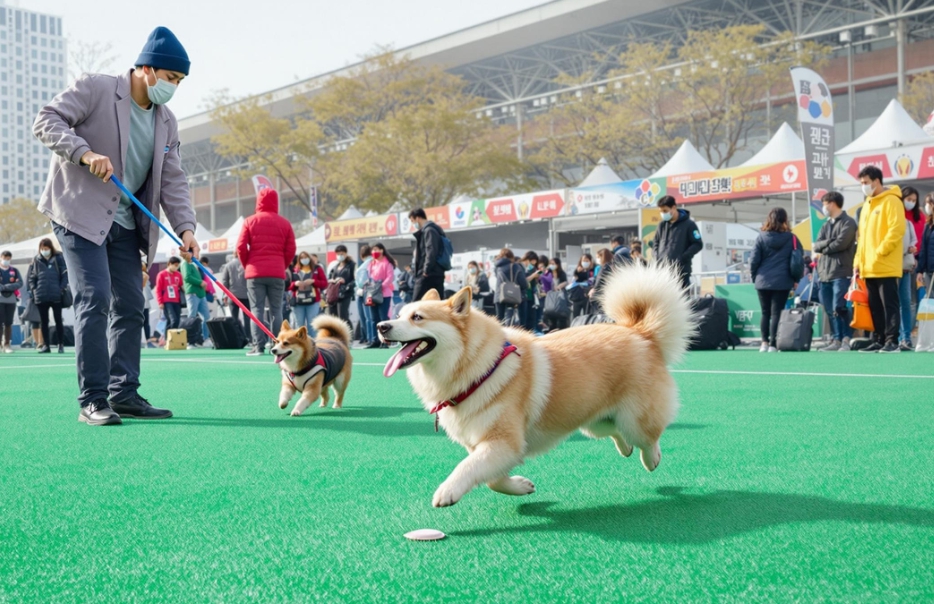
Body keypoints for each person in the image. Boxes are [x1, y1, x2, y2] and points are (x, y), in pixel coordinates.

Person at [34, 26, 197, 425]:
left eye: (179, 81)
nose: (173, 87)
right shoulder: (96, 88)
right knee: (95, 297)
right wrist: (84, 152)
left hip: (124, 223)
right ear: (145, 68)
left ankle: (124, 392)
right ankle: (92, 398)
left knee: (131, 304)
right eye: (170, 78)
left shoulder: (167, 122)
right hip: (79, 215)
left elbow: (173, 179)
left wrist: (187, 228)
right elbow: (46, 119)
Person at [237, 187, 296, 356]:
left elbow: (241, 247)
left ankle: (258, 346)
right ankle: (277, 345)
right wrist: (282, 265)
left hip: (254, 272)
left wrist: (247, 263)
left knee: (257, 309)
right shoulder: (284, 223)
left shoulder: (250, 221)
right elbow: (291, 249)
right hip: (277, 272)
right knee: (277, 310)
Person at [855, 166, 906, 353]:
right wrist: (858, 262)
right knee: (875, 307)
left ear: (877, 181)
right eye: (861, 183)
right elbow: (861, 238)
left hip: (885, 264)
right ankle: (880, 339)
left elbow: (897, 229)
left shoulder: (892, 201)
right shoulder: (867, 204)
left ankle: (892, 341)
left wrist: (880, 251)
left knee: (890, 306)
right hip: (868, 266)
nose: (864, 186)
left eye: (866, 182)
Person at [812, 191, 857, 352]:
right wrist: (828, 243)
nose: (823, 207)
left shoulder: (848, 222)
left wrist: (825, 247)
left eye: (824, 203)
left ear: (832, 203)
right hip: (824, 273)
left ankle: (846, 338)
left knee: (840, 307)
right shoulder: (825, 225)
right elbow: (816, 246)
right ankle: (835, 338)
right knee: (829, 309)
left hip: (841, 271)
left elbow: (842, 244)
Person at [750, 208, 798, 353]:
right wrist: (796, 278)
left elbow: (753, 261)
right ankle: (773, 344)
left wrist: (755, 277)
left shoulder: (761, 237)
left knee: (765, 312)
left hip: (763, 280)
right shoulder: (791, 238)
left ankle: (764, 343)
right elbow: (798, 260)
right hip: (783, 280)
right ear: (785, 220)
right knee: (777, 312)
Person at [27, 238, 68, 354]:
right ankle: (46, 345)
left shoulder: (59, 258)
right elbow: (31, 277)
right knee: (43, 322)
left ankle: (61, 344)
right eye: (43, 249)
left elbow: (65, 275)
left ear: (51, 248)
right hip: (41, 296)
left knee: (58, 320)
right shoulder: (36, 260)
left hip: (56, 295)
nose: (45, 251)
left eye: (47, 248)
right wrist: (34, 290)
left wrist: (61, 288)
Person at [653, 195, 703, 290]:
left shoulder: (689, 224)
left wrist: (683, 258)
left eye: (665, 211)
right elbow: (655, 243)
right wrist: (656, 257)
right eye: (661, 211)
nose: (663, 214)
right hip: (662, 272)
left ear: (674, 207)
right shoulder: (662, 225)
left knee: (681, 300)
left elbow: (698, 244)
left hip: (681, 271)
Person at [898, 186, 924, 351]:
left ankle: (906, 336)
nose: (911, 203)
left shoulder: (918, 217)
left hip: (911, 264)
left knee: (909, 302)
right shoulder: (894, 215)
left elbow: (919, 241)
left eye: (914, 200)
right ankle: (894, 336)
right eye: (908, 199)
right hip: (891, 264)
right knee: (894, 303)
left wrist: (916, 257)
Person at [409, 208, 447, 301]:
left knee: (415, 304)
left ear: (417, 218)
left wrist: (426, 270)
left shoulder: (429, 230)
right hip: (435, 273)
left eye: (412, 221)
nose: (413, 224)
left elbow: (431, 250)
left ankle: (415, 317)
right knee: (435, 304)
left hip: (428, 274)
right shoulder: (432, 229)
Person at [365, 243, 396, 348]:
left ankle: (385, 340)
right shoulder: (371, 264)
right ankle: (375, 340)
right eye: (372, 250)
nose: (374, 252)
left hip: (384, 294)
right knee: (374, 318)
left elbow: (390, 277)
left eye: (376, 249)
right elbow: (368, 277)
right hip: (372, 294)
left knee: (383, 318)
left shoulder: (387, 263)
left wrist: (380, 286)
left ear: (382, 250)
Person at [290, 251, 328, 337]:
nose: (304, 260)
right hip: (298, 301)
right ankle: (300, 343)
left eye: (306, 257)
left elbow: (324, 283)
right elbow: (288, 285)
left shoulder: (317, 269)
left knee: (312, 324)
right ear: (299, 260)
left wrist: (314, 281)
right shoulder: (294, 270)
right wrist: (295, 284)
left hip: (313, 300)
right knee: (299, 324)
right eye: (302, 258)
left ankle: (313, 344)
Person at [219, 254, 251, 344]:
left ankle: (237, 338)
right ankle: (249, 338)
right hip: (246, 295)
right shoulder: (247, 264)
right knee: (248, 318)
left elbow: (225, 281)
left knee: (234, 318)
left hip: (232, 295)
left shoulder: (228, 265)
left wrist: (225, 295)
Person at [181, 253, 211, 346]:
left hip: (201, 294)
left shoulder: (195, 264)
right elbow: (187, 277)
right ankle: (190, 341)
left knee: (206, 317)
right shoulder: (185, 263)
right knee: (192, 317)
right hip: (192, 293)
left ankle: (204, 339)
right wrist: (200, 282)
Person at [493, 248, 527, 326]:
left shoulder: (497, 266)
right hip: (511, 295)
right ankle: (510, 336)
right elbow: (523, 283)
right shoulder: (515, 266)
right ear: (511, 256)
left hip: (498, 295)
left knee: (499, 320)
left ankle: (500, 337)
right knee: (510, 318)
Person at [0, 250, 23, 353]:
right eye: (4, 258)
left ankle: (7, 344)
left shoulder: (14, 270)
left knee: (9, 322)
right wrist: (3, 287)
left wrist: (9, 287)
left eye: (8, 259)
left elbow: (20, 283)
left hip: (11, 298)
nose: (6, 260)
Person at [327, 245, 356, 326]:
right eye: (338, 254)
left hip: (345, 294)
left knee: (343, 317)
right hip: (334, 294)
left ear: (346, 253)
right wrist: (333, 280)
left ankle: (348, 336)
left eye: (342, 253)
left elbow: (355, 280)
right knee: (333, 317)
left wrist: (346, 283)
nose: (340, 255)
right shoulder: (335, 266)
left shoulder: (351, 265)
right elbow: (329, 278)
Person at [155, 257, 184, 331]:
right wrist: (160, 302)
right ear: (169, 264)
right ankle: (171, 339)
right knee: (173, 320)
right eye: (175, 265)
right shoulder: (161, 274)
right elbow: (158, 289)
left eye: (178, 265)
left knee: (176, 320)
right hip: (167, 301)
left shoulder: (178, 275)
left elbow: (181, 286)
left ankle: (168, 339)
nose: (176, 267)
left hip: (177, 301)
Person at [355, 245, 375, 346]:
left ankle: (370, 338)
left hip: (365, 292)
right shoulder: (376, 262)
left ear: (361, 255)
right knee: (375, 317)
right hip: (377, 291)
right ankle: (375, 338)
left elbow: (361, 283)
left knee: (367, 318)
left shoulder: (363, 266)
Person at [542, 257, 569, 331]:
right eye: (550, 264)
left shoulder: (562, 273)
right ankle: (551, 329)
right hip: (550, 296)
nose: (551, 265)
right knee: (551, 314)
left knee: (561, 314)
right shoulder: (548, 273)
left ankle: (562, 330)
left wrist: (559, 286)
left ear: (558, 265)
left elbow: (566, 282)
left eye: (553, 264)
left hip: (560, 296)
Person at [521, 251, 542, 333]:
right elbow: (525, 281)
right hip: (525, 297)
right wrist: (534, 275)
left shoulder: (534, 269)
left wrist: (538, 276)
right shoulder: (522, 269)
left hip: (533, 297)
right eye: (532, 260)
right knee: (525, 318)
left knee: (532, 318)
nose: (533, 263)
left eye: (535, 261)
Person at [918, 193, 934, 301]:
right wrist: (920, 270)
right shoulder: (928, 225)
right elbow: (923, 249)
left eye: (928, 203)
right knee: (931, 300)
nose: (926, 206)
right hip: (929, 271)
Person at [569, 254, 594, 319]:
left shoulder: (592, 270)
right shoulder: (577, 270)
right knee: (576, 316)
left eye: (587, 260)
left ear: (590, 261)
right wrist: (577, 272)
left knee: (587, 316)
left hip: (586, 296)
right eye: (583, 260)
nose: (585, 262)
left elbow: (591, 281)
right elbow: (574, 280)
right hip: (576, 297)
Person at [141, 263, 155, 348]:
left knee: (146, 323)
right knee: (136, 323)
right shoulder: (135, 275)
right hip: (137, 303)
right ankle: (137, 341)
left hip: (145, 303)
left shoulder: (145, 276)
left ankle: (148, 341)